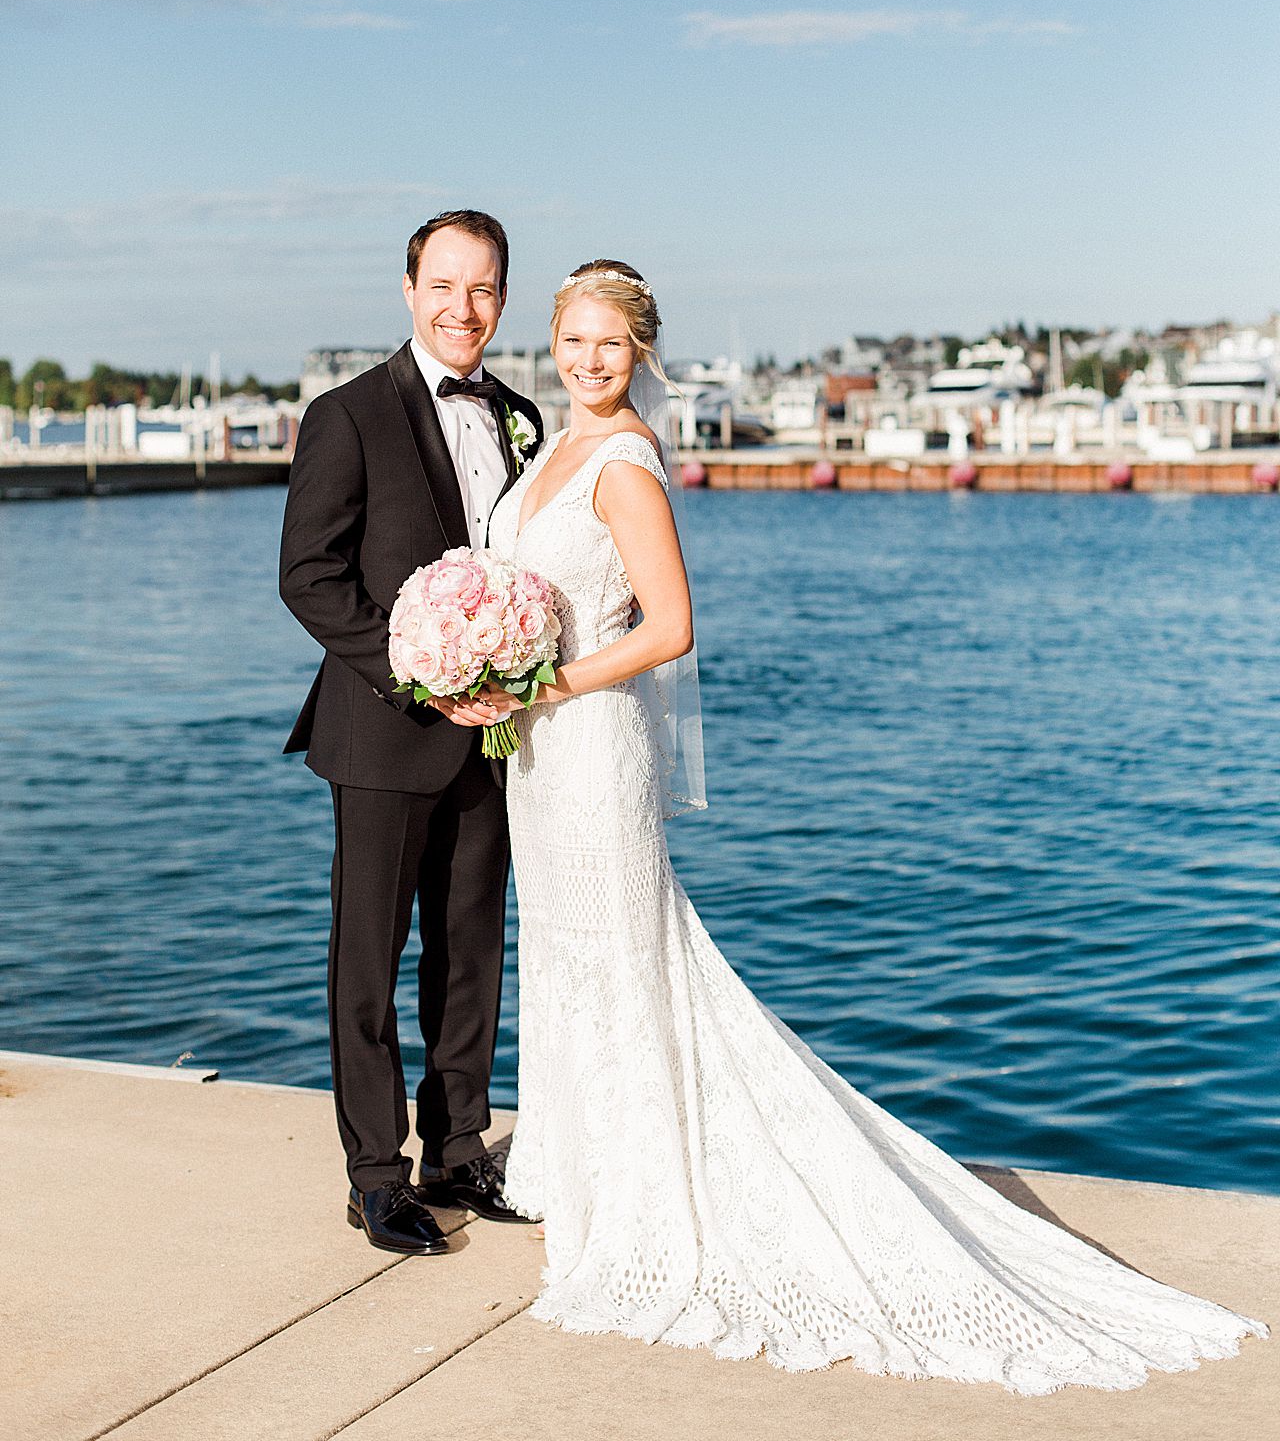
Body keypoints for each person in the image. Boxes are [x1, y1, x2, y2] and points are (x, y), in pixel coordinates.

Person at [466, 257, 1267, 1389]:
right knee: (566, 959)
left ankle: (647, 1200)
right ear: (554, 341)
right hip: (537, 760)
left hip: (592, 752)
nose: (588, 361)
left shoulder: (627, 463)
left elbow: (671, 629)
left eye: (609, 345)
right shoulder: (548, 451)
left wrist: (543, 685)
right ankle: (583, 1172)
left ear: (638, 352)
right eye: (574, 340)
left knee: (624, 964)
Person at [279, 210, 541, 1256]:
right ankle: (375, 1175)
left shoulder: (520, 415)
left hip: (493, 737)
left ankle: (458, 1148)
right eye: (442, 285)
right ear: (406, 288)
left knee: (470, 952)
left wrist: (520, 671)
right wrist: (423, 677)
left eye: (480, 289)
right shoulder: (346, 414)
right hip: (385, 732)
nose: (460, 308)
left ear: (503, 299)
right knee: (368, 963)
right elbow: (310, 577)